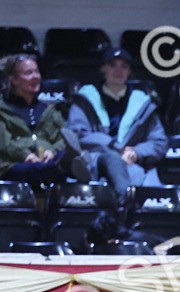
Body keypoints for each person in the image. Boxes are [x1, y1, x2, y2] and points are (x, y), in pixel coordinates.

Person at [67, 49, 168, 203]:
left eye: (124, 66)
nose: (118, 71)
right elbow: (77, 133)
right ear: (103, 69)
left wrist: (135, 152)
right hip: (96, 159)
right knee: (112, 159)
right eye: (113, 65)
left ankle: (127, 203)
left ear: (129, 71)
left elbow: (159, 142)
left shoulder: (143, 103)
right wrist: (113, 145)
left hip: (132, 163)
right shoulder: (85, 99)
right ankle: (126, 199)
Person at [0, 54, 90, 184]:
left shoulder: (49, 109)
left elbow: (63, 138)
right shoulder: (0, 110)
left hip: (47, 160)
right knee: (44, 168)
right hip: (13, 164)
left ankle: (65, 164)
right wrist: (25, 155)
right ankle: (67, 166)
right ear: (13, 79)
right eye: (29, 73)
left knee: (59, 157)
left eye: (36, 72)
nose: (35, 77)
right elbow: (1, 143)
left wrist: (51, 151)